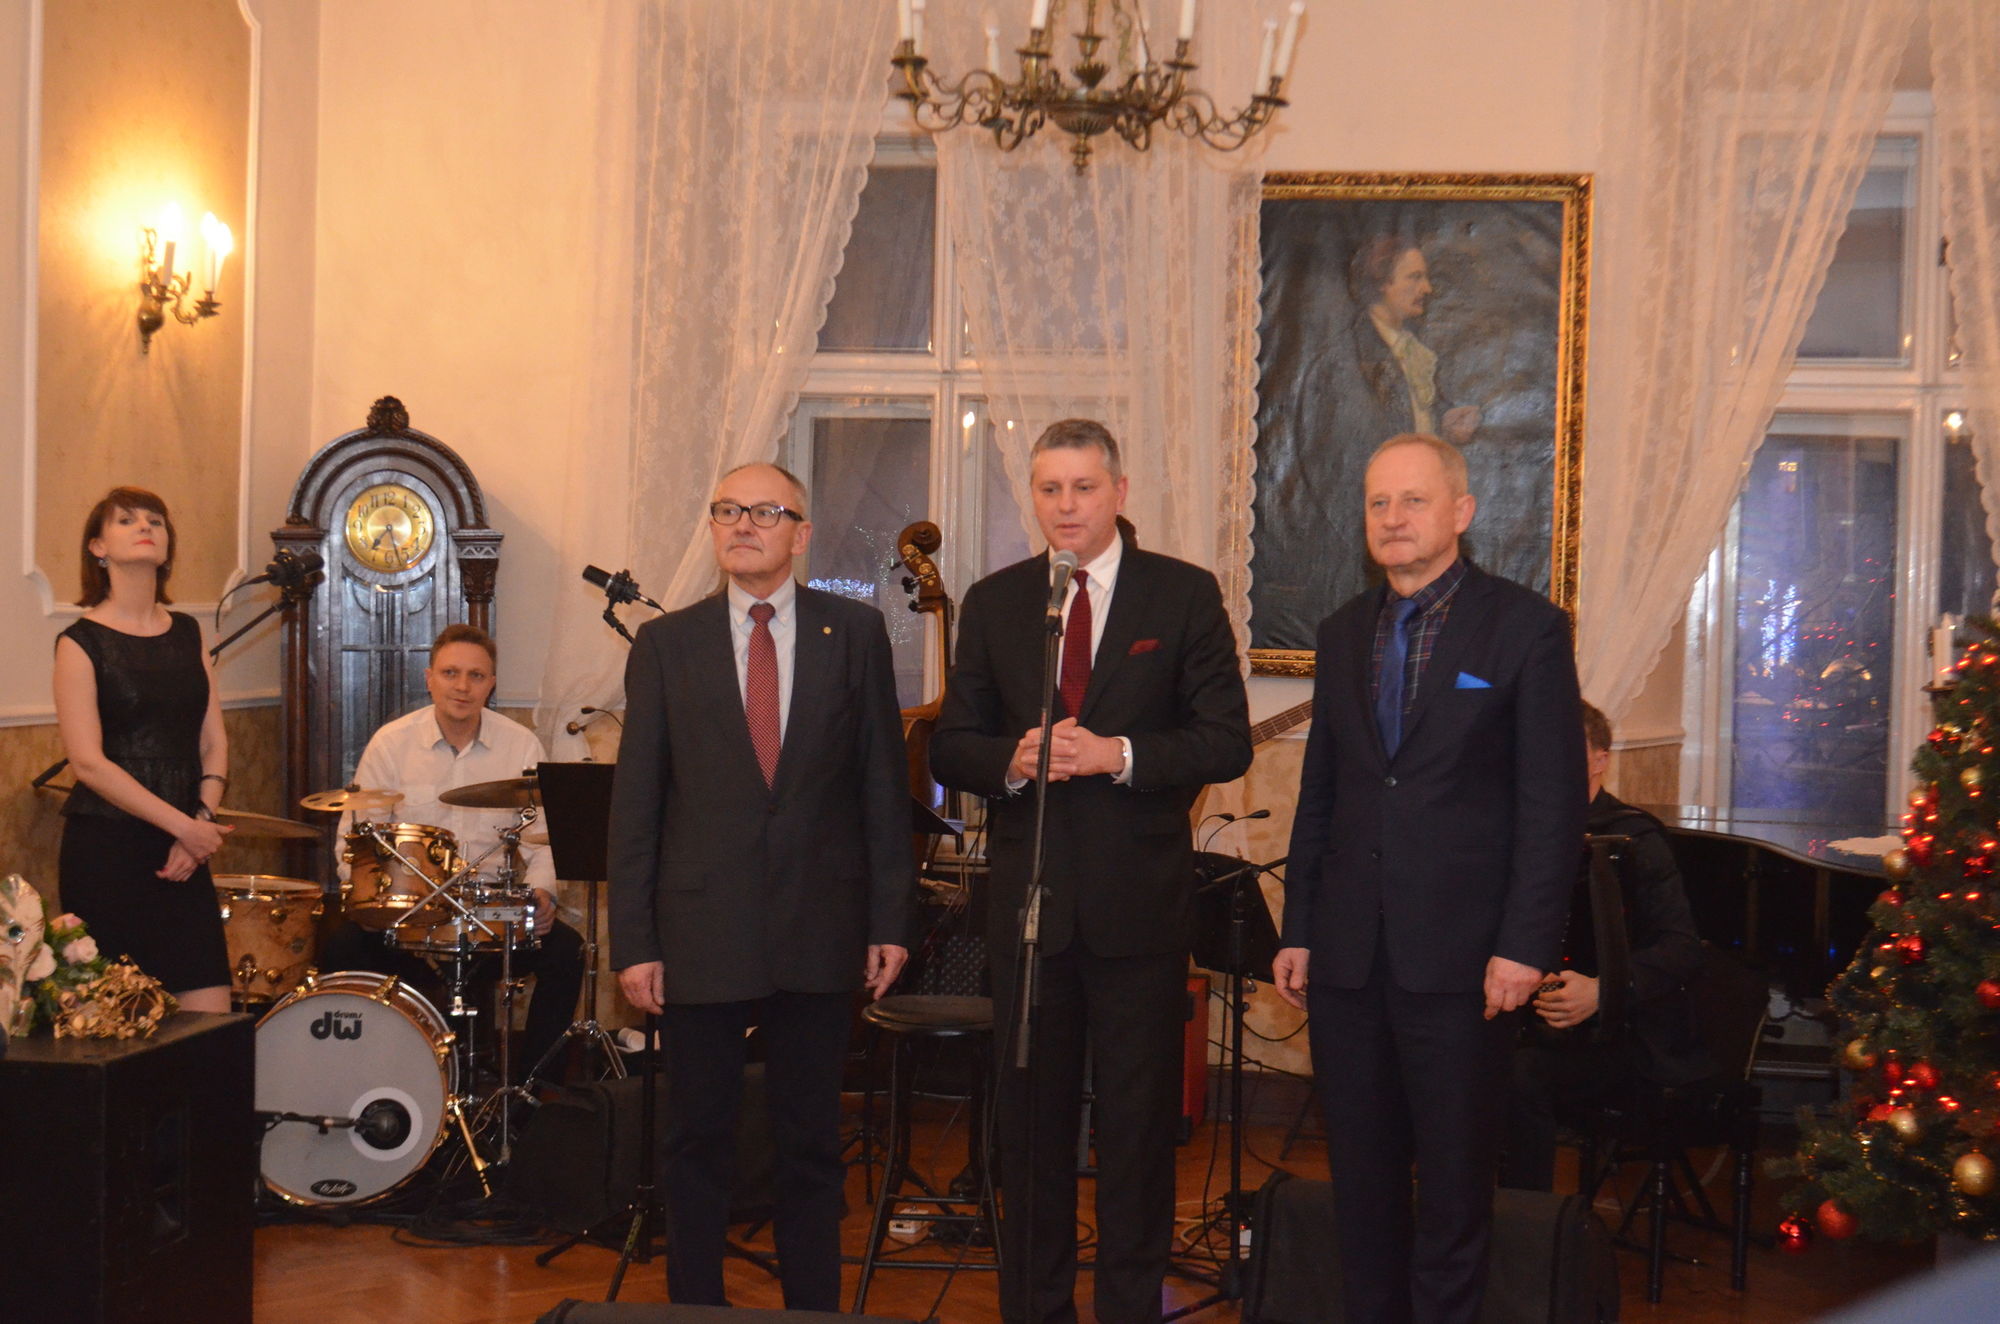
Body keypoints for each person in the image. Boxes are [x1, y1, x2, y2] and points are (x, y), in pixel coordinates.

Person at [930, 419, 1253, 1324]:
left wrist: (1119, 755)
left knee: (1136, 1132)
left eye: (1083, 488)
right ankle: (1036, 1309)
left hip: (1137, 913)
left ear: (1118, 492)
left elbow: (1224, 739)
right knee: (1029, 1133)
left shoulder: (1181, 595)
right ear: (1032, 496)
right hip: (1028, 916)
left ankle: (1127, 1308)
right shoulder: (997, 601)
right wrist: (1012, 758)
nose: (1065, 506)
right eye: (1049, 489)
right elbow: (952, 744)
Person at [1272, 433, 1585, 1324]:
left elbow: (1552, 805)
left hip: (1465, 965)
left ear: (1461, 512)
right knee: (1361, 1186)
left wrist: (1526, 946)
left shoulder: (1525, 628)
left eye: (1413, 500)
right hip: (1347, 961)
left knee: (1452, 1190)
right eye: (1378, 503)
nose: (1393, 518)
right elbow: (1323, 796)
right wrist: (1299, 929)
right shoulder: (1343, 632)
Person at [608, 461, 913, 1311]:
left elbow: (882, 789)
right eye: (729, 510)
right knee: (697, 1144)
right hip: (700, 936)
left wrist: (890, 918)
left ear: (801, 534)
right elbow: (637, 806)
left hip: (820, 929)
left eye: (766, 512)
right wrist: (634, 941)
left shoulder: (855, 634)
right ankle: (697, 1312)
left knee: (810, 1146)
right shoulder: (666, 645)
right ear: (713, 528)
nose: (744, 524)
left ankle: (812, 1312)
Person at [320, 623, 585, 1079]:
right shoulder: (391, 743)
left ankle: (531, 1092)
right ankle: (363, 1081)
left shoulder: (520, 745)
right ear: (429, 678)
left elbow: (544, 841)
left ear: (491, 684)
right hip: (408, 918)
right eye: (450, 673)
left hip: (489, 917)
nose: (462, 686)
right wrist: (372, 902)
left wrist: (543, 894)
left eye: (476, 676)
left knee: (568, 951)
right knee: (341, 948)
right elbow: (354, 841)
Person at [1498, 702, 1710, 1192]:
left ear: (1600, 759)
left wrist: (1602, 990)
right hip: (1522, 1022)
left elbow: (1682, 948)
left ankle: (1525, 1218)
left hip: (1623, 1034)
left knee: (1519, 1073)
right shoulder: (1515, 831)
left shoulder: (1634, 838)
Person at [52, 487, 233, 1012]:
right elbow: (87, 762)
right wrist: (186, 829)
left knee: (208, 1020)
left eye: (155, 519)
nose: (145, 526)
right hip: (108, 849)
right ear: (97, 547)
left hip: (185, 849)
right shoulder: (79, 641)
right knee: (116, 1024)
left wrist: (199, 826)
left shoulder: (188, 632)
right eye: (126, 520)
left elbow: (214, 742)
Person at [1341, 236, 1479, 450]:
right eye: (1415, 277)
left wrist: (1447, 421)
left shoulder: (1417, 350)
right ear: (1382, 283)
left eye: (1425, 277)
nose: (1427, 288)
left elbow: (1419, 416)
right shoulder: (1349, 355)